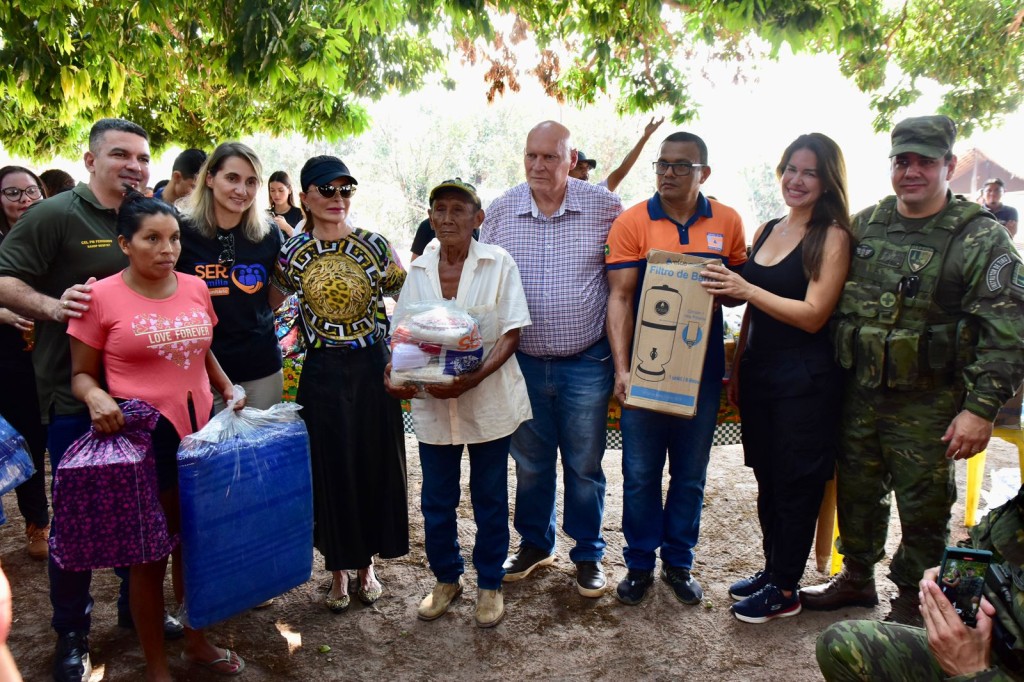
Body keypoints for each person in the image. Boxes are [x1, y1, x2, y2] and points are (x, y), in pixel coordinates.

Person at [800, 115, 1024, 625]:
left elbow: (1009, 332)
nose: (912, 171)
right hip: (861, 393)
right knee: (857, 492)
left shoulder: (978, 237)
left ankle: (913, 600)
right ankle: (857, 578)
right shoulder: (866, 224)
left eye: (926, 161)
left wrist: (980, 409)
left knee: (924, 507)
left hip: (931, 401)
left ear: (948, 165)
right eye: (903, 160)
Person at [0, 118, 177, 682]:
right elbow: (3, 279)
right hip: (75, 398)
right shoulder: (55, 215)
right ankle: (71, 631)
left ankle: (135, 608)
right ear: (91, 160)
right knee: (76, 524)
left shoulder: (149, 215)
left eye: (143, 157)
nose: (135, 166)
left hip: (146, 404)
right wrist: (54, 308)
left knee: (143, 515)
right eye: (121, 155)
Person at [68, 191, 246, 680]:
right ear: (125, 244)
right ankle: (156, 667)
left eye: (173, 238)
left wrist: (226, 386)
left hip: (202, 433)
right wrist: (95, 396)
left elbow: (201, 350)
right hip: (145, 442)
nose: (167, 249)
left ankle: (196, 642)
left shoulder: (194, 287)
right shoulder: (98, 297)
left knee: (196, 546)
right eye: (152, 239)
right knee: (149, 557)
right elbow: (80, 374)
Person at [698, 134, 853, 622]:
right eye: (790, 168)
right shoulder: (768, 228)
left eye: (809, 172)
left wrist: (745, 289)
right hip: (760, 372)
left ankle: (786, 588)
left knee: (796, 483)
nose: (796, 180)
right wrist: (739, 362)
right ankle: (773, 570)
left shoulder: (832, 236)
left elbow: (813, 314)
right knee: (767, 477)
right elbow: (750, 306)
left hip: (805, 380)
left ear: (828, 180)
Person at [481, 120, 622, 598]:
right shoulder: (502, 210)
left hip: (586, 361)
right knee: (531, 462)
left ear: (571, 158)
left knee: (584, 464)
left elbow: (626, 279)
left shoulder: (604, 206)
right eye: (531, 155)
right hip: (521, 361)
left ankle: (588, 553)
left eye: (550, 156)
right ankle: (536, 544)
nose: (538, 165)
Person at [605, 131, 747, 606]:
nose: (668, 173)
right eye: (662, 164)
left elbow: (741, 288)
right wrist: (622, 369)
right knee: (640, 473)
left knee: (689, 474)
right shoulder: (632, 221)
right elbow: (620, 298)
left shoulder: (727, 221)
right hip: (643, 368)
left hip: (700, 368)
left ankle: (679, 563)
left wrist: (723, 288)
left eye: (681, 165)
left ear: (703, 172)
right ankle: (639, 564)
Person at [385, 178, 532, 628]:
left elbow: (511, 332)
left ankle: (489, 583)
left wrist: (474, 378)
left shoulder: (498, 262)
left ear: (477, 218)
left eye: (458, 209)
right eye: (440, 209)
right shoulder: (420, 269)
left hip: (487, 402)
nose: (447, 218)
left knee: (489, 498)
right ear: (430, 218)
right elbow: (403, 334)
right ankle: (447, 579)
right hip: (433, 404)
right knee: (436, 500)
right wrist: (394, 375)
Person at [271, 155, 408, 613]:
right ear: (305, 196)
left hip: (373, 368)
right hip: (321, 370)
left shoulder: (375, 245)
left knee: (372, 462)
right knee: (330, 469)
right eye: (326, 189)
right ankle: (337, 572)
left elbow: (409, 297)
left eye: (345, 189)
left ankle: (367, 566)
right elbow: (271, 304)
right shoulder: (292, 252)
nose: (338, 198)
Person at [817, 485, 1024, 681]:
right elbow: (984, 540)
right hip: (995, 646)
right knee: (839, 646)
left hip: (983, 669)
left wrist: (971, 671)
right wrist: (952, 571)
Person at [178, 143, 284, 413]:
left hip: (260, 366)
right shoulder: (180, 231)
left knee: (261, 441)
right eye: (232, 178)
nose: (242, 190)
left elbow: (274, 297)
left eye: (251, 182)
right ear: (210, 179)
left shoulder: (268, 233)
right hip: (199, 368)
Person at [0, 166, 51, 560]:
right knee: (18, 439)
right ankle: (36, 523)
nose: (24, 199)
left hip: (51, 357)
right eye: (13, 193)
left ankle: (43, 523)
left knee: (41, 439)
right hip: (7, 360)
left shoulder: (51, 238)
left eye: (31, 191)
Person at [569, 116, 665, 192]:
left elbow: (622, 170)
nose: (585, 172)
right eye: (579, 167)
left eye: (587, 168)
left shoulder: (595, 194)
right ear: (566, 170)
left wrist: (645, 137)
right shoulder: (560, 196)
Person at [267, 170, 304, 236]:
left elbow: (306, 240)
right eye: (272, 190)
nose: (276, 194)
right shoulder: (265, 215)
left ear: (289, 190)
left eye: (281, 190)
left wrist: (287, 227)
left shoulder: (300, 214)